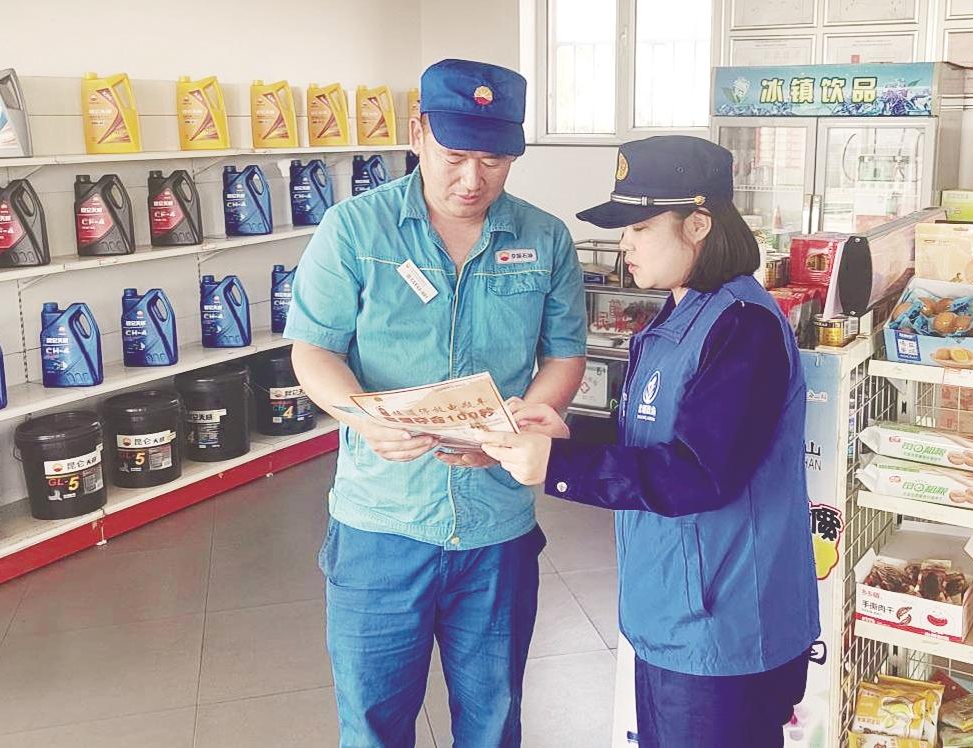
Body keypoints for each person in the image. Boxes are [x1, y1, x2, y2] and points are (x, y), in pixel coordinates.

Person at [283, 58, 587, 747]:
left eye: (494, 160)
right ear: (418, 133)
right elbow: (314, 350)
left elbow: (564, 355)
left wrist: (516, 432)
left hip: (496, 528)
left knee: (493, 721)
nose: (473, 179)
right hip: (380, 524)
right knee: (374, 724)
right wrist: (363, 417)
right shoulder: (354, 230)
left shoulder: (544, 238)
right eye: (455, 156)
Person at [481, 136, 820, 748]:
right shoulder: (680, 313)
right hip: (675, 612)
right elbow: (652, 430)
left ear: (698, 224)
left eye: (639, 227)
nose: (624, 244)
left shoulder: (741, 325)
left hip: (726, 630)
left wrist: (558, 466)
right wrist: (564, 431)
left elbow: (700, 472)